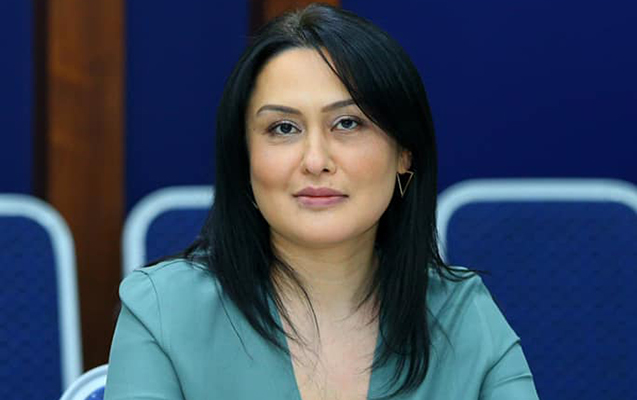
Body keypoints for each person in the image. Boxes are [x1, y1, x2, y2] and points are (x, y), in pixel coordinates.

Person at [104, 4, 539, 400]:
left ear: (405, 153)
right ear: (244, 157)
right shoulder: (165, 309)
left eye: (347, 123)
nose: (315, 161)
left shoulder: (463, 315)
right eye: (283, 128)